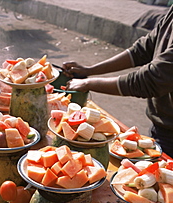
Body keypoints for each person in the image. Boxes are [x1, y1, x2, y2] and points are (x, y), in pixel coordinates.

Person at [62, 6, 173, 158]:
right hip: (162, 125)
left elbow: (151, 80)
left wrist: (89, 83)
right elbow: (142, 50)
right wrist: (90, 70)